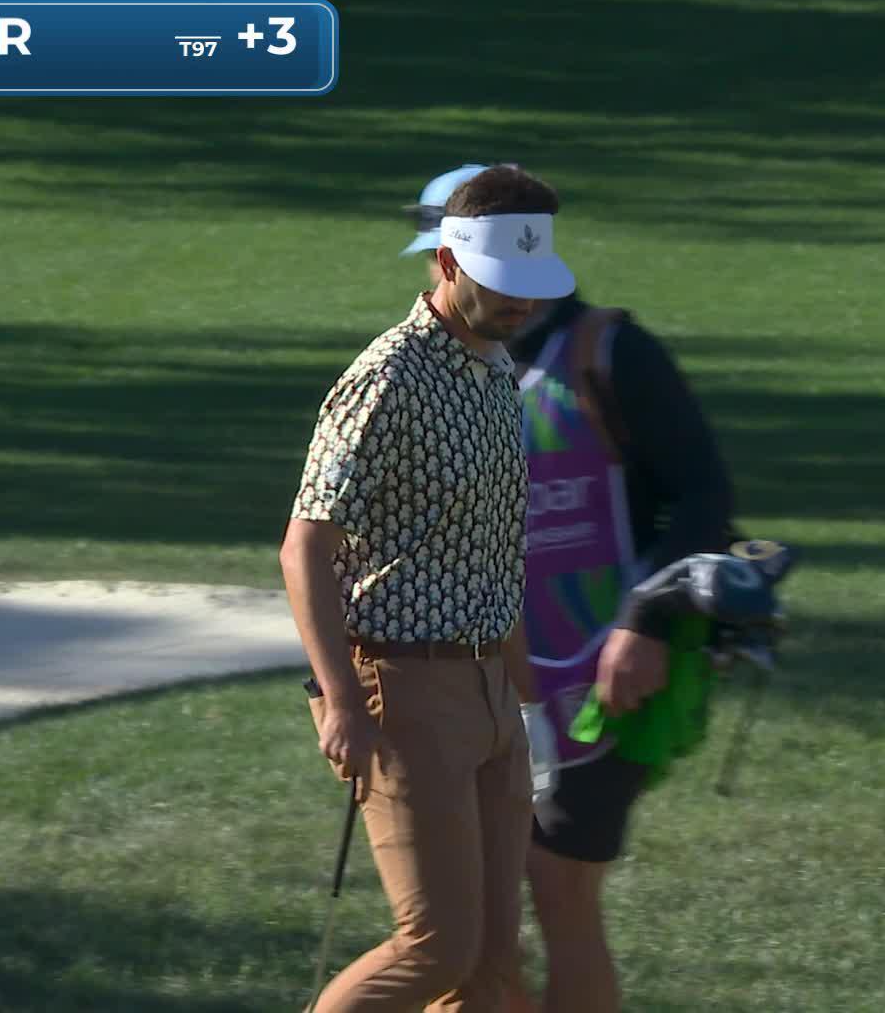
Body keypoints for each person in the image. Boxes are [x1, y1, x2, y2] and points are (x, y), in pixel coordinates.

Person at [397, 167, 737, 1013]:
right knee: (479, 908)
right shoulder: (445, 369)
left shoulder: (612, 353)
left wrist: (645, 624)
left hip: (606, 671)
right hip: (483, 678)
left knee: (557, 884)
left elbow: (704, 498)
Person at [281, 165, 576, 1012]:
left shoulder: (497, 373)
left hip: (487, 694)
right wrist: (341, 701)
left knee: (490, 969)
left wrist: (526, 700)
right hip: (402, 691)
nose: (522, 302)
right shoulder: (391, 377)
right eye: (503, 282)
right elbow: (305, 548)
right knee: (437, 948)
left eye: (531, 283)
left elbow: (493, 552)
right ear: (448, 262)